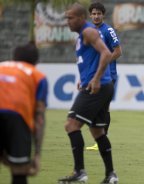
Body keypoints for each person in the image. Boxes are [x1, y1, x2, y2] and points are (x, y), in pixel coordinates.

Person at [58, 3, 118, 184]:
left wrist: (96, 79)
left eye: (71, 18)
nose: (67, 21)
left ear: (81, 18)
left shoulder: (88, 32)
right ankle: (111, 175)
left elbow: (107, 54)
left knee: (71, 125)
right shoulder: (83, 35)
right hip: (99, 86)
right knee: (98, 131)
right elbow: (91, 59)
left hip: (97, 88)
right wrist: (85, 78)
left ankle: (79, 172)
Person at [0, 42, 48, 184]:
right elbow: (39, 117)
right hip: (17, 116)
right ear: (36, 62)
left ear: (14, 58)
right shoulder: (38, 76)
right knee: (19, 171)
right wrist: (37, 155)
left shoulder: (1, 66)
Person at [86, 2, 122, 151]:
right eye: (93, 14)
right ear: (90, 15)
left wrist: (103, 63)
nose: (96, 16)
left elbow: (118, 51)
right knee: (95, 108)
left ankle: (101, 141)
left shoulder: (108, 31)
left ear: (103, 15)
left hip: (108, 75)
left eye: (98, 14)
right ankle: (100, 140)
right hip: (93, 76)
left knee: (103, 108)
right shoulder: (88, 31)